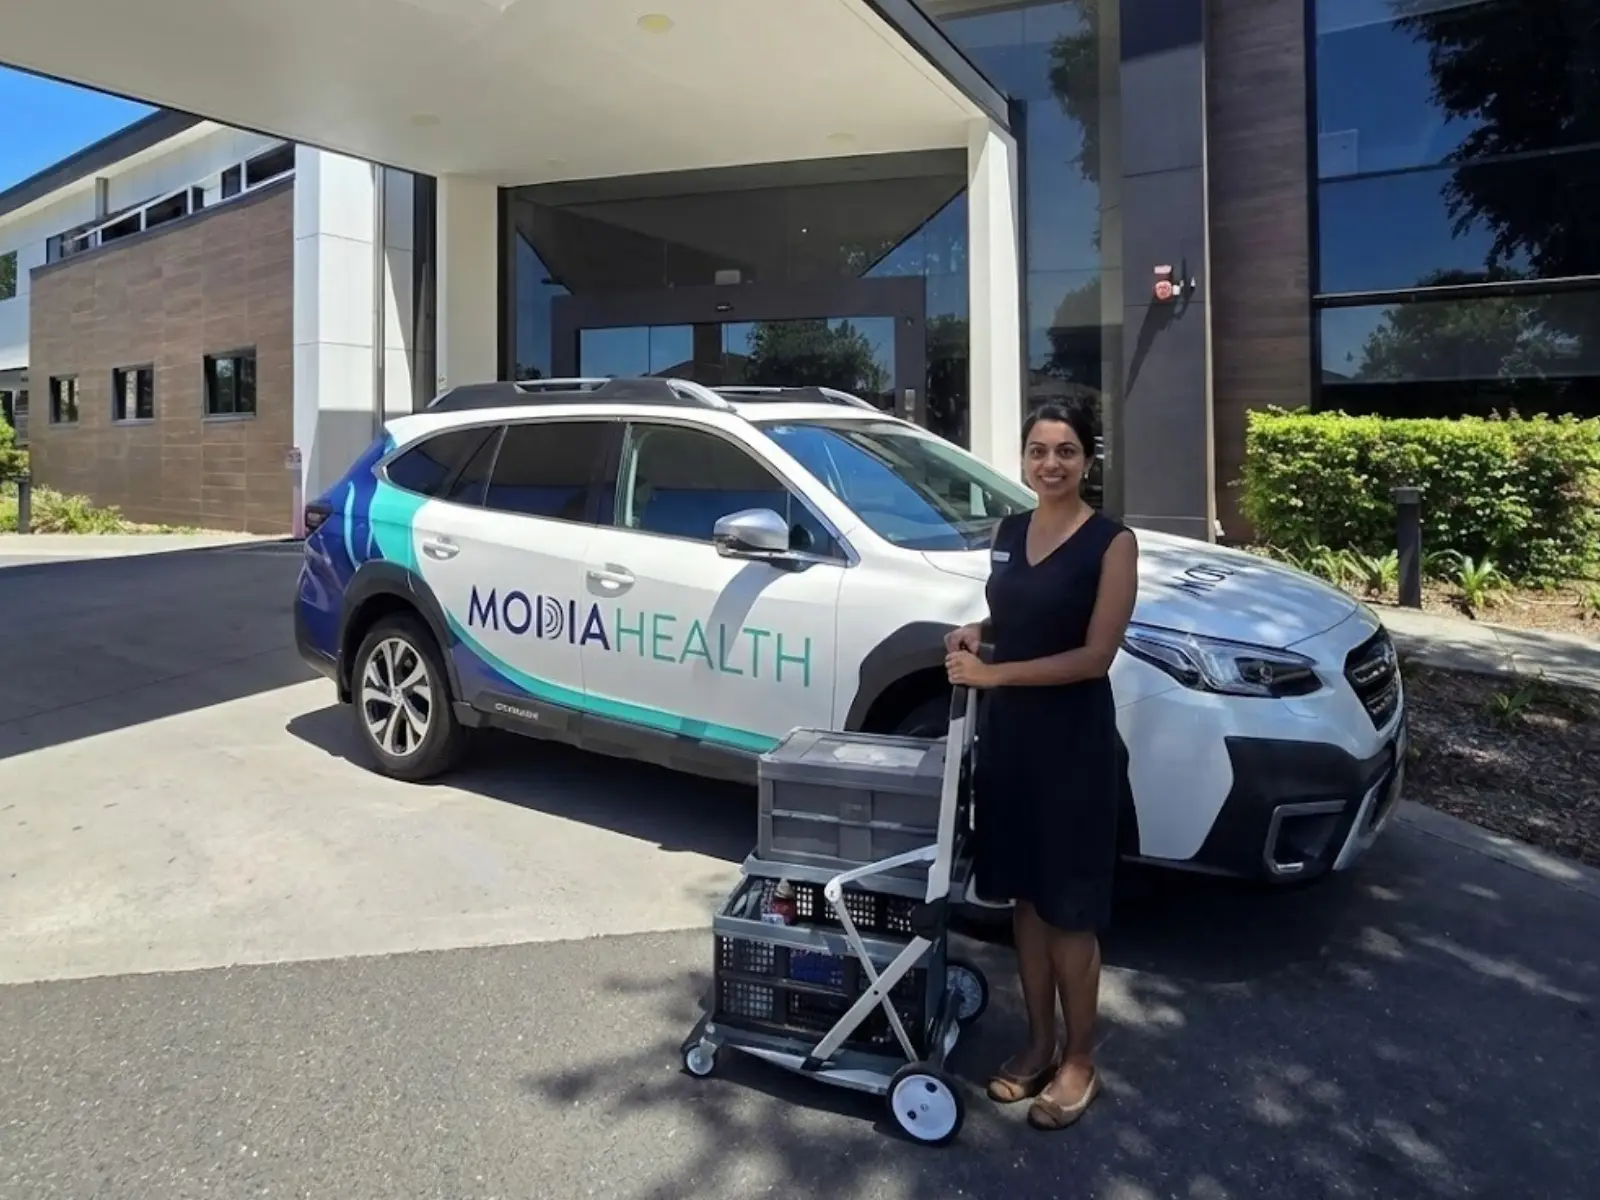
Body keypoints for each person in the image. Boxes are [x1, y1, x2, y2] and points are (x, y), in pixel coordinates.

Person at [943, 401, 1138, 1131]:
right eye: (1037, 451)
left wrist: (992, 675)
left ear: (1088, 460)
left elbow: (1095, 654)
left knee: (1069, 911)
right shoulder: (1010, 530)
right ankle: (1037, 1042)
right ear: (1023, 459)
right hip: (1013, 744)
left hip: (1073, 746)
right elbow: (1021, 606)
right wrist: (981, 629)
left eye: (1065, 451)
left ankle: (1081, 1058)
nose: (1049, 464)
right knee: (1025, 901)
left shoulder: (1112, 544)